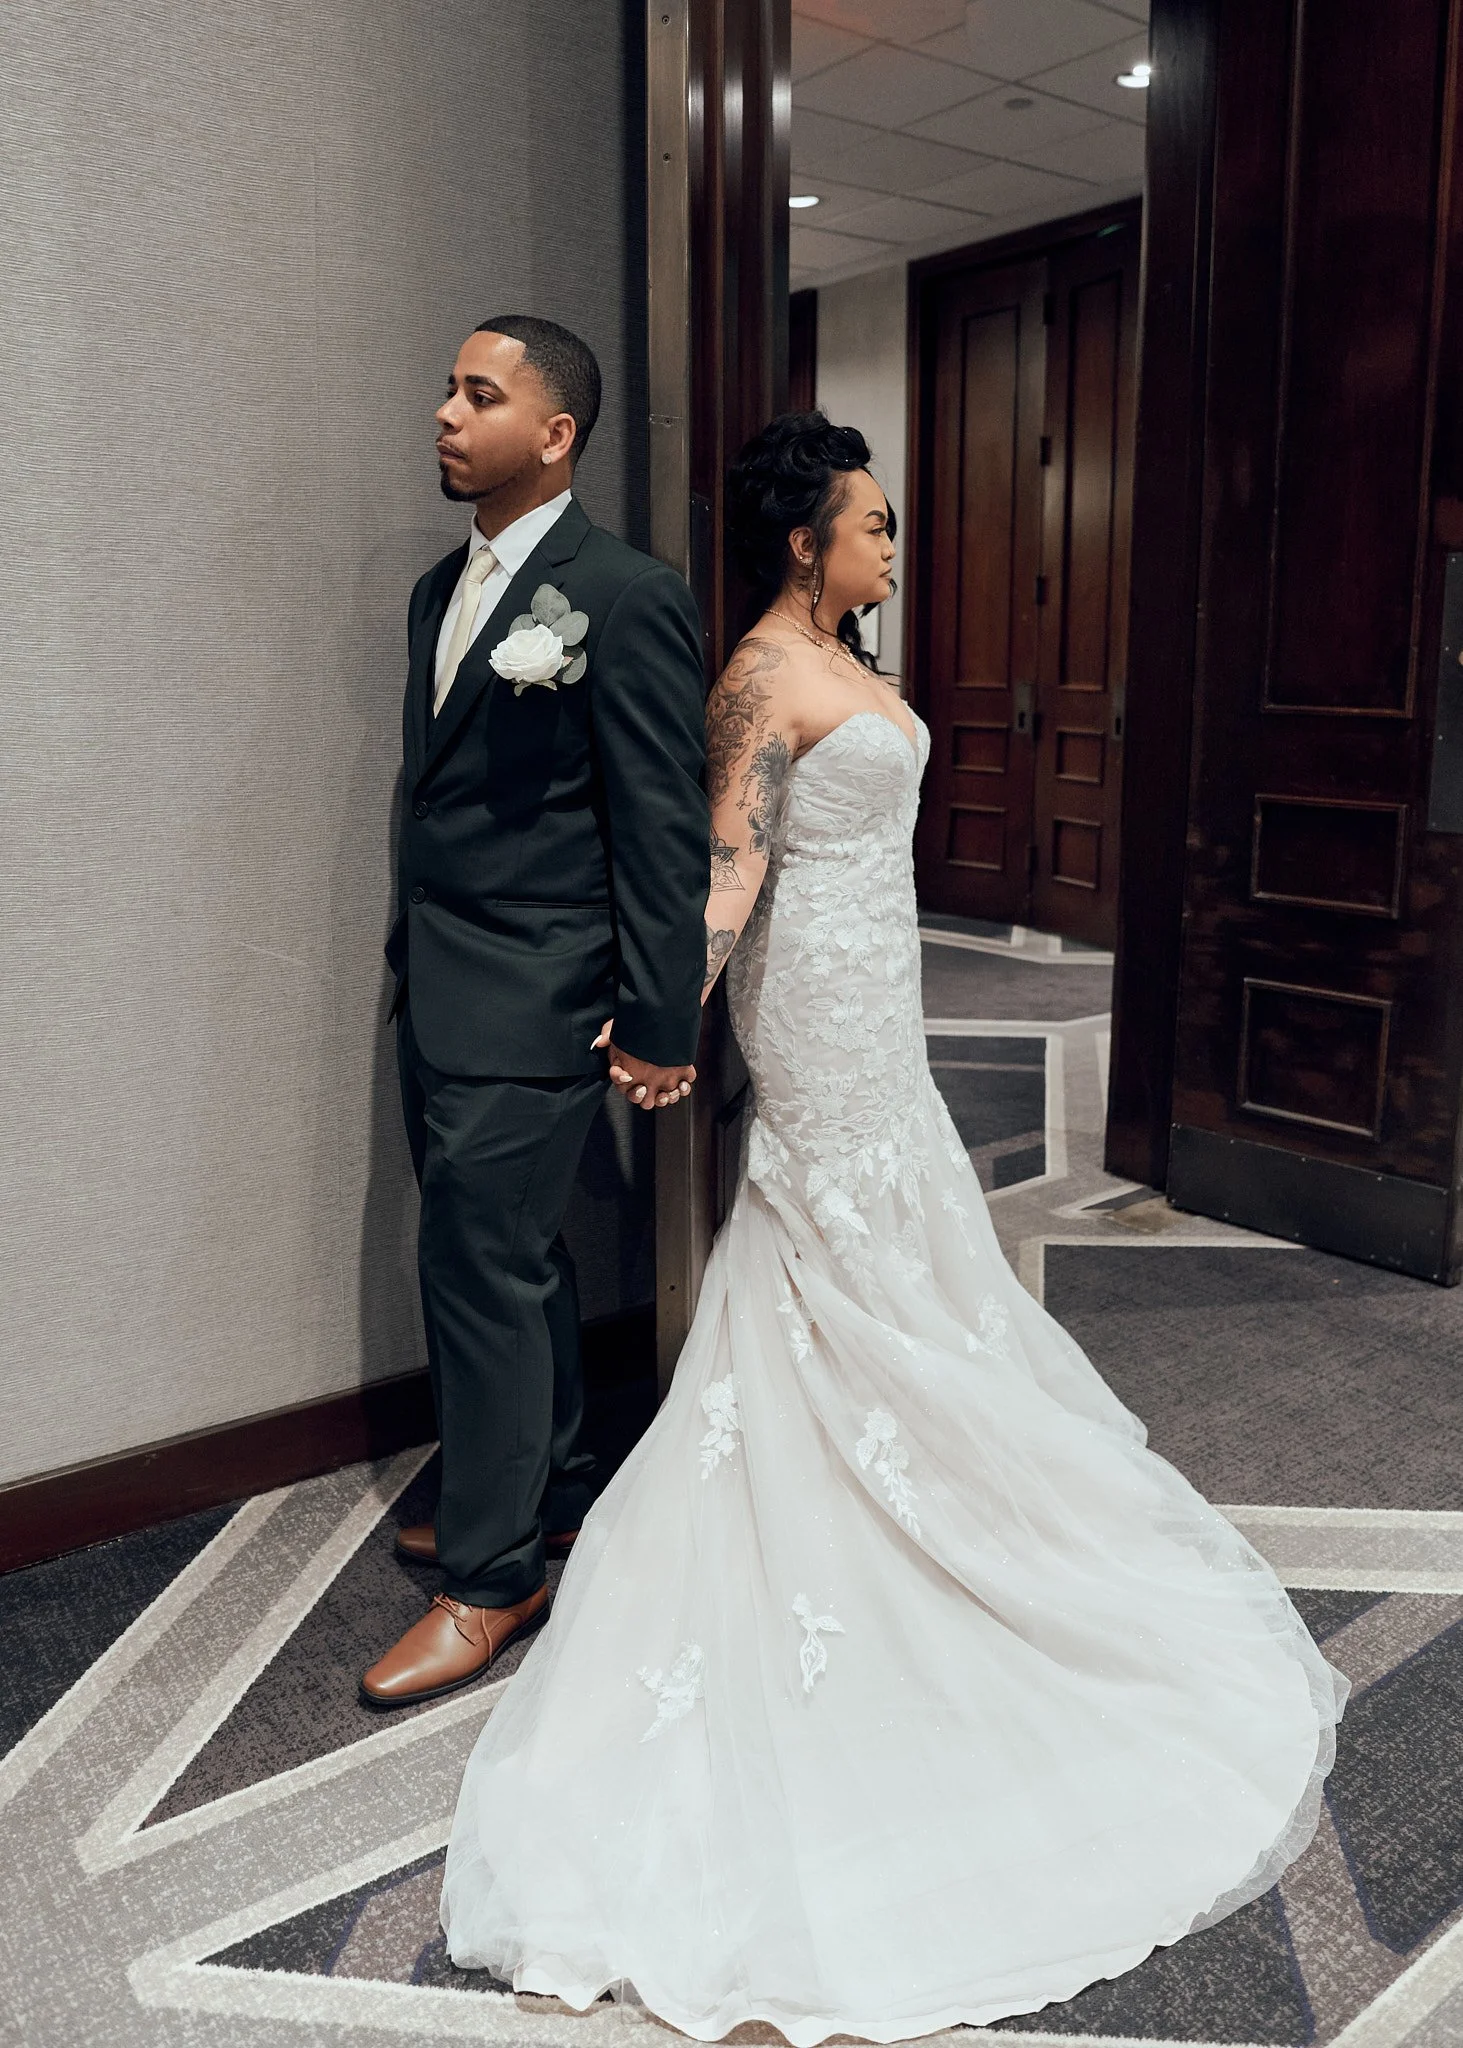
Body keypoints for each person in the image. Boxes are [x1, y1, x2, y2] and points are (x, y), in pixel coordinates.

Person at [439, 413, 1346, 2042]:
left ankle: (932, 1458)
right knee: (829, 1227)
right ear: (806, 540)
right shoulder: (756, 676)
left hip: (879, 992)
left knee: (904, 1218)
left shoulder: (847, 662)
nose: (889, 545)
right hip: (809, 1008)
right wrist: (662, 1018)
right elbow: (727, 866)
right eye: (871, 524)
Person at [361, 318, 708, 1709]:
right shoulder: (434, 591)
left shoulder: (625, 596)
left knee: (482, 1271)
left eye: (480, 394)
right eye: (446, 389)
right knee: (515, 1260)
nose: (446, 413)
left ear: (556, 435)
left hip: (539, 995)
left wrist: (660, 1018)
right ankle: (552, 1489)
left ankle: (494, 1575)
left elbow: (660, 825)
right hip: (439, 984)